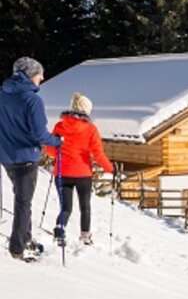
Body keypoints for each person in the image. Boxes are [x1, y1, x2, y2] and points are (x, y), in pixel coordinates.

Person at [0, 57, 63, 260]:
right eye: (39, 74)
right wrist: (57, 141)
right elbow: (39, 135)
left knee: (21, 198)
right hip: (26, 157)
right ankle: (18, 248)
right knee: (23, 202)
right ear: (29, 75)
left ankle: (25, 239)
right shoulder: (32, 100)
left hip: (7, 157)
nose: (42, 78)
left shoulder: (3, 94)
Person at [45, 92, 114, 246]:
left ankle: (60, 230)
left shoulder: (60, 126)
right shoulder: (91, 129)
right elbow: (98, 153)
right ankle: (85, 236)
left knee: (65, 207)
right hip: (83, 173)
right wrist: (109, 168)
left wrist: (60, 152)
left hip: (62, 172)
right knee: (85, 207)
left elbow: (49, 150)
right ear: (86, 110)